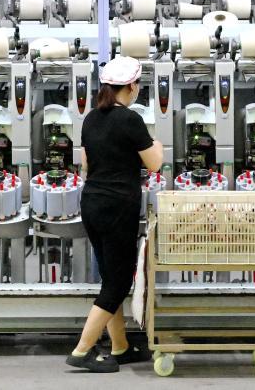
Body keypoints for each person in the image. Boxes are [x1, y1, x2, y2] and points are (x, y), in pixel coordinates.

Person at [66, 56, 163, 373]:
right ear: (132, 86)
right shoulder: (130, 120)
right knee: (119, 283)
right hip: (118, 207)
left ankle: (120, 346)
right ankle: (82, 350)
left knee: (111, 277)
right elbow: (154, 164)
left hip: (92, 203)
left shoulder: (91, 119)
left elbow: (86, 165)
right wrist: (157, 144)